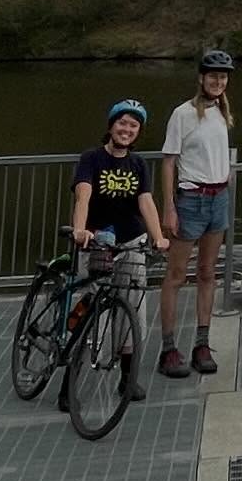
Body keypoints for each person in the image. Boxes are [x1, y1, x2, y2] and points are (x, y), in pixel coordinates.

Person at [62, 98, 169, 409]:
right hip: (97, 242)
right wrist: (80, 230)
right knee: (85, 309)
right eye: (122, 123)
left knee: (133, 310)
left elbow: (146, 202)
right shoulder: (91, 159)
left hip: (130, 242)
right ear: (111, 126)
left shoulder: (137, 164)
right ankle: (68, 383)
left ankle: (127, 377)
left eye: (133, 126)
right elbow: (84, 195)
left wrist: (158, 236)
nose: (127, 129)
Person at [158, 50, 235, 378]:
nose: (218, 81)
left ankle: (202, 342)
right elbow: (169, 160)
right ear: (201, 78)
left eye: (223, 76)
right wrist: (169, 206)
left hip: (218, 197)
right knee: (176, 276)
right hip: (191, 199)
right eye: (212, 76)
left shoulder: (221, 112)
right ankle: (168, 347)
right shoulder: (183, 114)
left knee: (207, 274)